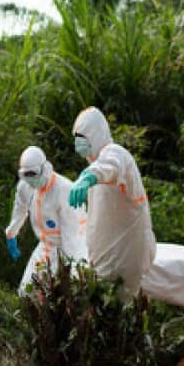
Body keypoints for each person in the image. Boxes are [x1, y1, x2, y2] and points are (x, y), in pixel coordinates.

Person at [67, 106, 156, 297]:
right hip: (106, 259)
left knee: (119, 309)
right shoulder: (95, 166)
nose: (78, 144)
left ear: (95, 135)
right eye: (76, 138)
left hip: (123, 257)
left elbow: (110, 166)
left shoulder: (116, 154)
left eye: (82, 138)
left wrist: (87, 178)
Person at [4, 146, 87, 295]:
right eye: (26, 175)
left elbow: (73, 234)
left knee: (67, 294)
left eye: (34, 174)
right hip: (46, 246)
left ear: (44, 168)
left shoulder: (64, 190)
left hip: (70, 247)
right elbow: (20, 210)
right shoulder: (25, 187)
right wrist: (11, 233)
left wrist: (70, 267)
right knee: (26, 293)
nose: (32, 179)